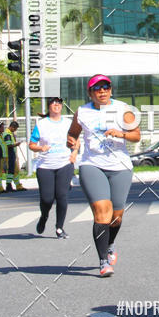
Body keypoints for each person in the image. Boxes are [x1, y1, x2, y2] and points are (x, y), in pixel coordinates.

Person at [67, 75, 140, 276]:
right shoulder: (82, 112)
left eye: (105, 87)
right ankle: (103, 262)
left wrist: (121, 133)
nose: (102, 91)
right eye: (97, 88)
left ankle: (110, 244)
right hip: (92, 165)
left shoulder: (123, 109)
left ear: (111, 90)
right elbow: (72, 134)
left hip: (120, 166)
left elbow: (136, 135)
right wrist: (72, 142)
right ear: (90, 93)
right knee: (101, 211)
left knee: (116, 217)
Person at [29, 97, 77, 238]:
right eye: (53, 103)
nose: (57, 105)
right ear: (49, 106)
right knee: (47, 199)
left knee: (62, 196)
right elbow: (31, 145)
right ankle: (44, 216)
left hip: (64, 164)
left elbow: (76, 141)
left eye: (59, 103)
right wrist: (40, 148)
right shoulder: (41, 124)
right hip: (45, 165)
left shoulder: (68, 123)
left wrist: (74, 153)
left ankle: (59, 228)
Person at [1, 120, 26, 191]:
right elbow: (9, 145)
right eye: (15, 129)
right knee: (11, 170)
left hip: (11, 153)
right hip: (9, 154)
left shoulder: (9, 134)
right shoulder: (7, 134)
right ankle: (8, 185)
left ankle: (18, 185)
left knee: (15, 170)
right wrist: (16, 144)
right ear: (12, 127)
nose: (15, 130)